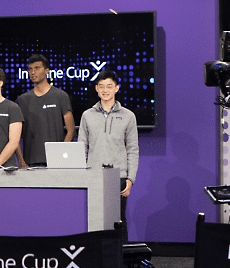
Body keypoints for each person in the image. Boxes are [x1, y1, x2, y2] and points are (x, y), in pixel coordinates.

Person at [78, 70, 138, 243]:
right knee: (93, 219)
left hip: (118, 176)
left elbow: (133, 149)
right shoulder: (87, 115)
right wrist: (82, 175)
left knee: (118, 220)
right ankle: (95, 259)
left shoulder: (128, 116)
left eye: (109, 86)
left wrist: (130, 178)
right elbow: (82, 147)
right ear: (96, 89)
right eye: (101, 86)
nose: (105, 90)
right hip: (92, 175)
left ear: (117, 88)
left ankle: (121, 261)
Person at [15, 54, 75, 168]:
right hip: (30, 162)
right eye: (30, 69)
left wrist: (61, 156)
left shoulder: (60, 96)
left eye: (37, 68)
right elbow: (15, 135)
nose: (33, 72)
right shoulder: (22, 100)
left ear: (47, 71)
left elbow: (71, 130)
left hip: (57, 162)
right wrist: (21, 161)